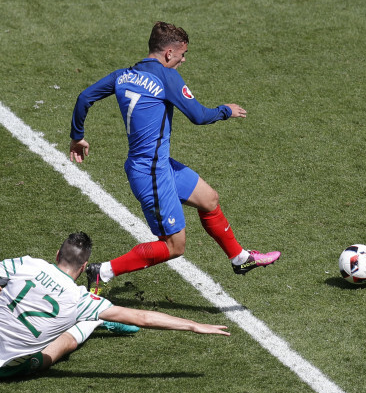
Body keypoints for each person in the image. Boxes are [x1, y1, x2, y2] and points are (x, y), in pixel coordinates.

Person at [69, 21, 281, 292]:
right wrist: (225, 110)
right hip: (151, 174)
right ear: (168, 53)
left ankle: (240, 258)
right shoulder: (166, 78)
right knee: (174, 246)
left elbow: (85, 97)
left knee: (209, 199)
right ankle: (104, 272)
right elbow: (199, 116)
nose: (182, 62)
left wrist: (77, 136)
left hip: (158, 165)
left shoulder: (123, 75)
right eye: (182, 56)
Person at [0, 232, 229, 378]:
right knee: (57, 347)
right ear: (84, 264)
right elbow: (141, 317)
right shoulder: (80, 299)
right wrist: (193, 325)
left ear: (57, 255)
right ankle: (98, 322)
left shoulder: (26, 264)